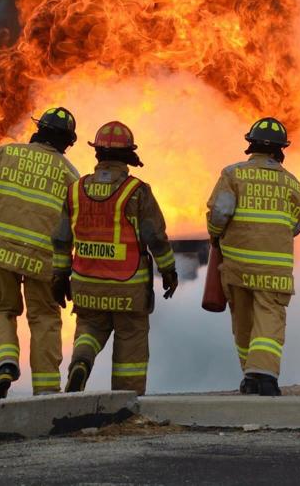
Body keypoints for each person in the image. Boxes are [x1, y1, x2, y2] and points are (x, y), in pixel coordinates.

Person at [53, 121, 178, 395]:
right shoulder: (137, 191)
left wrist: (59, 276)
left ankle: (81, 363)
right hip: (129, 288)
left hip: (86, 284)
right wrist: (168, 269)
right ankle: (125, 399)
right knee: (130, 343)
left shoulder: (75, 189)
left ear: (97, 154)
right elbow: (155, 236)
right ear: (128, 156)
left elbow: (62, 238)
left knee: (88, 330)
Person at [0, 107, 79, 398]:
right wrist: (66, 268)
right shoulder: (70, 174)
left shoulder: (6, 154)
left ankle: (4, 364)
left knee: (2, 309)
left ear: (38, 130)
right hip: (44, 261)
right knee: (44, 318)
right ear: (68, 142)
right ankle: (46, 390)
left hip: (0, 251)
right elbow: (75, 223)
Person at [205, 117, 300, 396]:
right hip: (274, 272)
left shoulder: (232, 175)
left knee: (244, 324)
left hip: (237, 267)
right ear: (280, 150)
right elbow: (296, 225)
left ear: (251, 146)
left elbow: (219, 214)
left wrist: (215, 235)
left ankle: (250, 377)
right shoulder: (292, 184)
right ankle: (265, 377)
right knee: (269, 322)